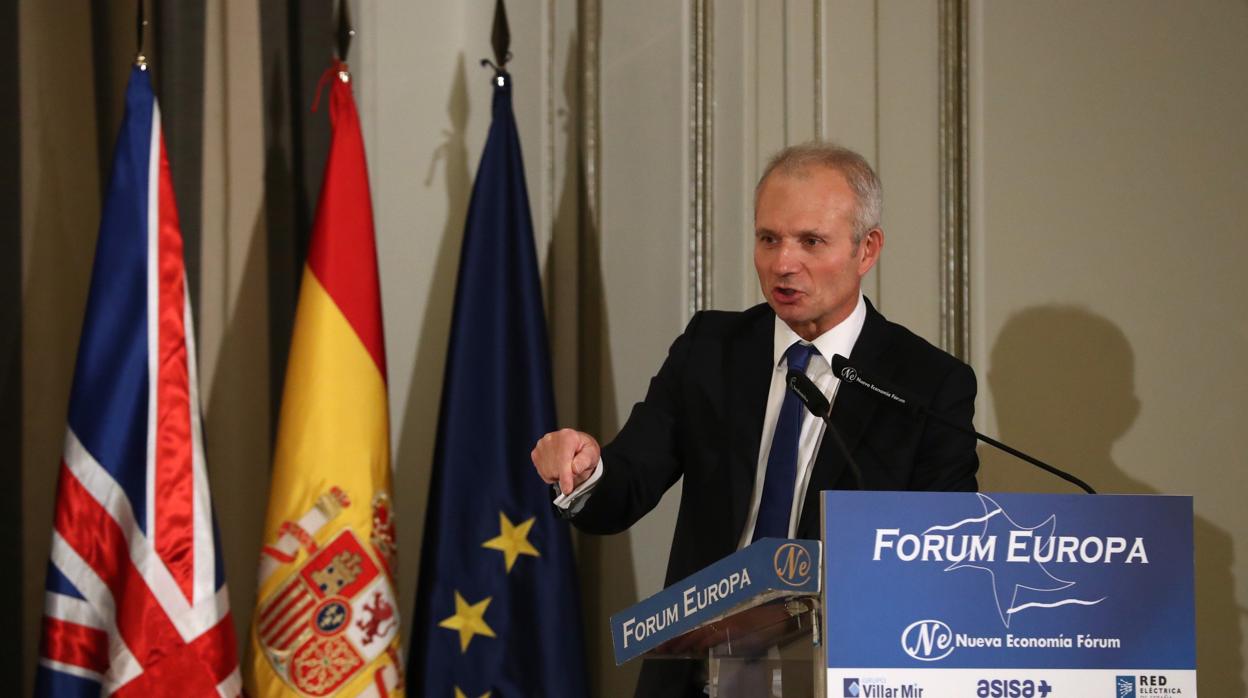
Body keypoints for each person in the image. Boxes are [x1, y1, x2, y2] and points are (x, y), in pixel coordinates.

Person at [531, 142, 979, 697]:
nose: (782, 264)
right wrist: (586, 468)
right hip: (699, 675)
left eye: (811, 241)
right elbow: (627, 483)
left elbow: (947, 553)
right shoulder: (710, 348)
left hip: (843, 674)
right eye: (769, 239)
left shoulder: (927, 384)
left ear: (868, 250)